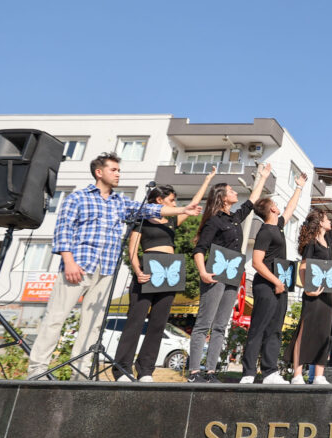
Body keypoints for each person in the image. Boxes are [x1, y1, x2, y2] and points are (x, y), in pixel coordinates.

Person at [27, 152, 202, 379]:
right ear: (99, 172)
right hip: (78, 266)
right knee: (55, 319)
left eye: (119, 170)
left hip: (106, 270)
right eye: (114, 170)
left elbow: (151, 210)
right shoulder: (78, 198)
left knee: (93, 325)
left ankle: (79, 373)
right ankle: (37, 371)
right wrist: (68, 261)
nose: (118, 174)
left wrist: (182, 210)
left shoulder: (120, 202)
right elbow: (63, 230)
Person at [113, 170, 214, 382]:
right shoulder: (142, 220)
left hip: (170, 271)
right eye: (171, 200)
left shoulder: (171, 222)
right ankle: (122, 368)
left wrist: (207, 181)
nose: (174, 203)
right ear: (159, 200)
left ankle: (146, 370)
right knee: (135, 320)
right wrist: (138, 271)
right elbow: (133, 249)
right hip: (148, 270)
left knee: (159, 323)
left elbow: (192, 205)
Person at [189, 163, 271, 383]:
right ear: (223, 197)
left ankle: (211, 371)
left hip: (233, 275)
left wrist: (262, 178)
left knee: (221, 326)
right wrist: (203, 273)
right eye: (232, 191)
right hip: (214, 274)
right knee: (203, 324)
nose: (236, 193)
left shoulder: (235, 219)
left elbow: (252, 202)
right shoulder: (214, 220)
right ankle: (194, 372)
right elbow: (199, 249)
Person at [241, 170, 309, 384]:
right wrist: (276, 281)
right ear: (271, 208)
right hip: (267, 286)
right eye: (276, 205)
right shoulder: (264, 231)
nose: (280, 208)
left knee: (275, 329)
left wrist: (299, 186)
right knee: (259, 328)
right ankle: (248, 373)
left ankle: (270, 371)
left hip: (281, 286)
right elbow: (256, 262)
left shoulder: (277, 227)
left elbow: (290, 209)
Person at [284, 183, 332, 385]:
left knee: (323, 333)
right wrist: (309, 290)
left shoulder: (329, 239)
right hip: (313, 293)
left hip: (328, 293)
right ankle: (297, 374)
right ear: (319, 223)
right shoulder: (311, 243)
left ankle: (319, 375)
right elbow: (303, 267)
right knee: (305, 331)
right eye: (326, 218)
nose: (329, 221)